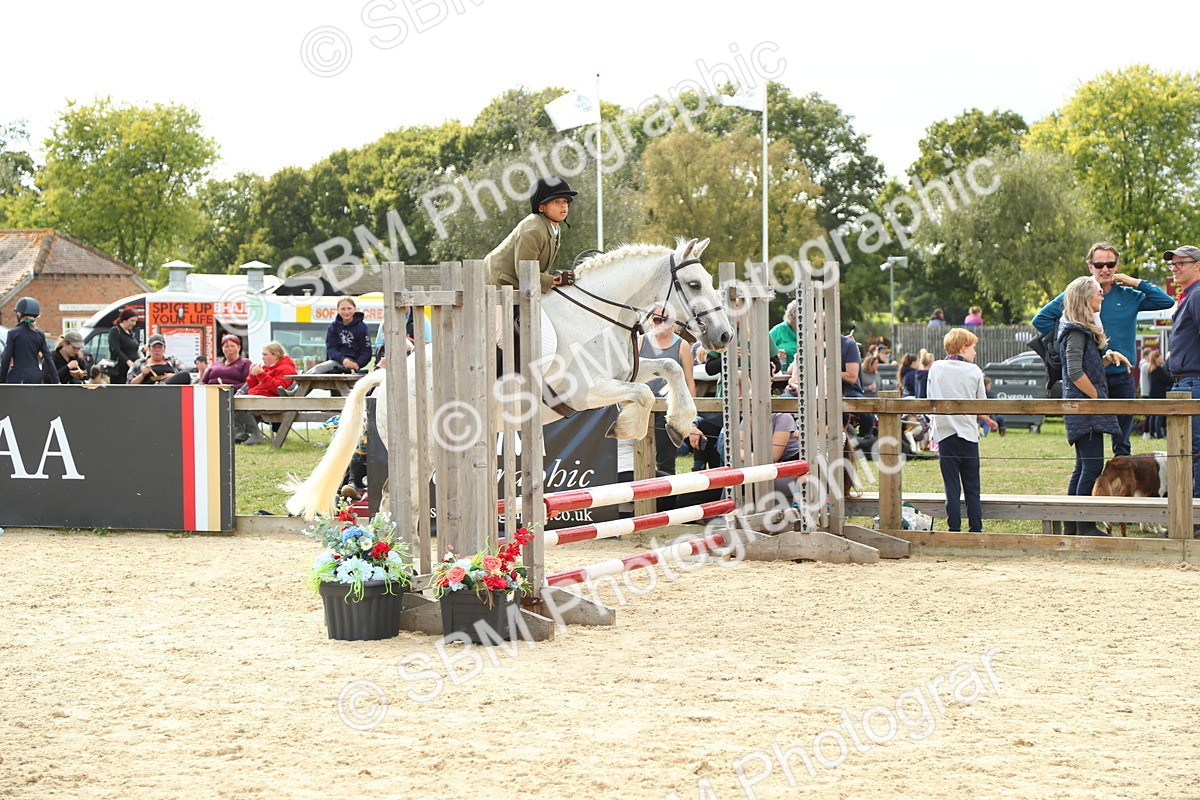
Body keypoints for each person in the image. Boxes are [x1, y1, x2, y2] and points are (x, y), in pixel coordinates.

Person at [1033, 241, 1173, 456]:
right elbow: (1041, 319)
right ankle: (1091, 484)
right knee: (1090, 450)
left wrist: (1135, 282)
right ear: (1090, 266)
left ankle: (1121, 487)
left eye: (1110, 264)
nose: (1105, 269)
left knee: (1122, 444)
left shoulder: (1129, 295)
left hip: (1121, 377)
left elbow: (1166, 301)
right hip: (1088, 380)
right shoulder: (1077, 294)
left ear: (1117, 266)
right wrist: (1074, 337)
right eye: (1099, 265)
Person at [1059, 276, 1122, 536]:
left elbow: (1083, 367)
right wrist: (1096, 397)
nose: (1102, 296)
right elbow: (1074, 371)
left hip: (1084, 409)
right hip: (1084, 410)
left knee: (1083, 466)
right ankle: (1083, 526)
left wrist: (1105, 359)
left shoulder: (1080, 330)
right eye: (1098, 293)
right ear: (1086, 298)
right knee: (1092, 467)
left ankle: (1073, 526)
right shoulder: (1075, 330)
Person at [928, 328, 998, 533]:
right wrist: (989, 420)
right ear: (964, 347)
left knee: (951, 486)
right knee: (972, 487)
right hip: (968, 434)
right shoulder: (974, 371)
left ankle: (954, 529)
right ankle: (976, 528)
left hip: (945, 433)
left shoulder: (936, 367)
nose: (975, 353)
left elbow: (930, 397)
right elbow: (981, 404)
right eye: (973, 348)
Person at [484, 176, 577, 293]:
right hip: (497, 284)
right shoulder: (533, 230)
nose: (563, 206)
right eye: (556, 201)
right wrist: (555, 280)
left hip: (516, 284)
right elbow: (525, 272)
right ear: (542, 207)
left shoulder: (553, 227)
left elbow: (537, 267)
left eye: (565, 201)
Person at [639, 308, 696, 476]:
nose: (663, 324)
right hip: (642, 406)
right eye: (658, 320)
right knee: (640, 457)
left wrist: (691, 417)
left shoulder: (682, 345)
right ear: (650, 320)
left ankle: (666, 501)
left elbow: (689, 382)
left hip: (668, 410)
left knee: (665, 460)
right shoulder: (640, 341)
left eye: (667, 320)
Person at [1163, 244, 1200, 506]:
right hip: (1185, 381)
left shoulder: (1197, 295)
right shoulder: (1188, 295)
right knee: (1186, 450)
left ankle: (1195, 516)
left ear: (1197, 265)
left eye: (1180, 263)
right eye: (1172, 264)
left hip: (1194, 382)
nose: (1174, 268)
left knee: (1194, 451)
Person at [236, 341, 297, 445]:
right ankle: (240, 434)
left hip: (273, 402)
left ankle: (255, 434)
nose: (262, 357)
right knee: (233, 401)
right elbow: (252, 386)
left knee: (238, 402)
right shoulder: (268, 367)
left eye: (265, 354)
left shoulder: (286, 368)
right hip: (261, 399)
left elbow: (278, 388)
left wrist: (261, 374)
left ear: (275, 355)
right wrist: (252, 375)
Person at [1, 297, 57, 384]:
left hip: (18, 377)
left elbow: (6, 358)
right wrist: (56, 380)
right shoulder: (40, 334)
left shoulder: (13, 333)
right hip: (36, 377)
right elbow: (48, 358)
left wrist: (2, 381)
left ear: (19, 314)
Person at [311, 297, 372, 374]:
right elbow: (330, 348)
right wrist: (343, 359)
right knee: (311, 371)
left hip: (353, 363)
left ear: (355, 309)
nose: (346, 312)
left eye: (349, 308)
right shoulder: (333, 327)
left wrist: (357, 364)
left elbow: (366, 351)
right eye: (343, 309)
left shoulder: (362, 327)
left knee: (318, 369)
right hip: (336, 360)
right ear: (338, 310)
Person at [107, 306, 140, 385]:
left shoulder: (131, 333)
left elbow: (132, 349)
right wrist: (128, 361)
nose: (134, 324)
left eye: (135, 321)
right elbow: (115, 349)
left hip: (132, 371)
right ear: (124, 320)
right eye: (132, 321)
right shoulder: (115, 331)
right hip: (120, 371)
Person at [1145, 349, 1171, 439]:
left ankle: (1152, 432)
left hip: (1152, 393)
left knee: (1153, 414)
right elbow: (1168, 380)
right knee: (1159, 414)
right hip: (1160, 393)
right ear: (1157, 358)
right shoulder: (1159, 369)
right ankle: (1159, 434)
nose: (1162, 358)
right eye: (1160, 356)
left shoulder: (1151, 369)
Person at [770, 300, 799, 370]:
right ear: (791, 316)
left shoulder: (812, 330)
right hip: (782, 374)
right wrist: (775, 355)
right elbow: (763, 349)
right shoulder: (779, 329)